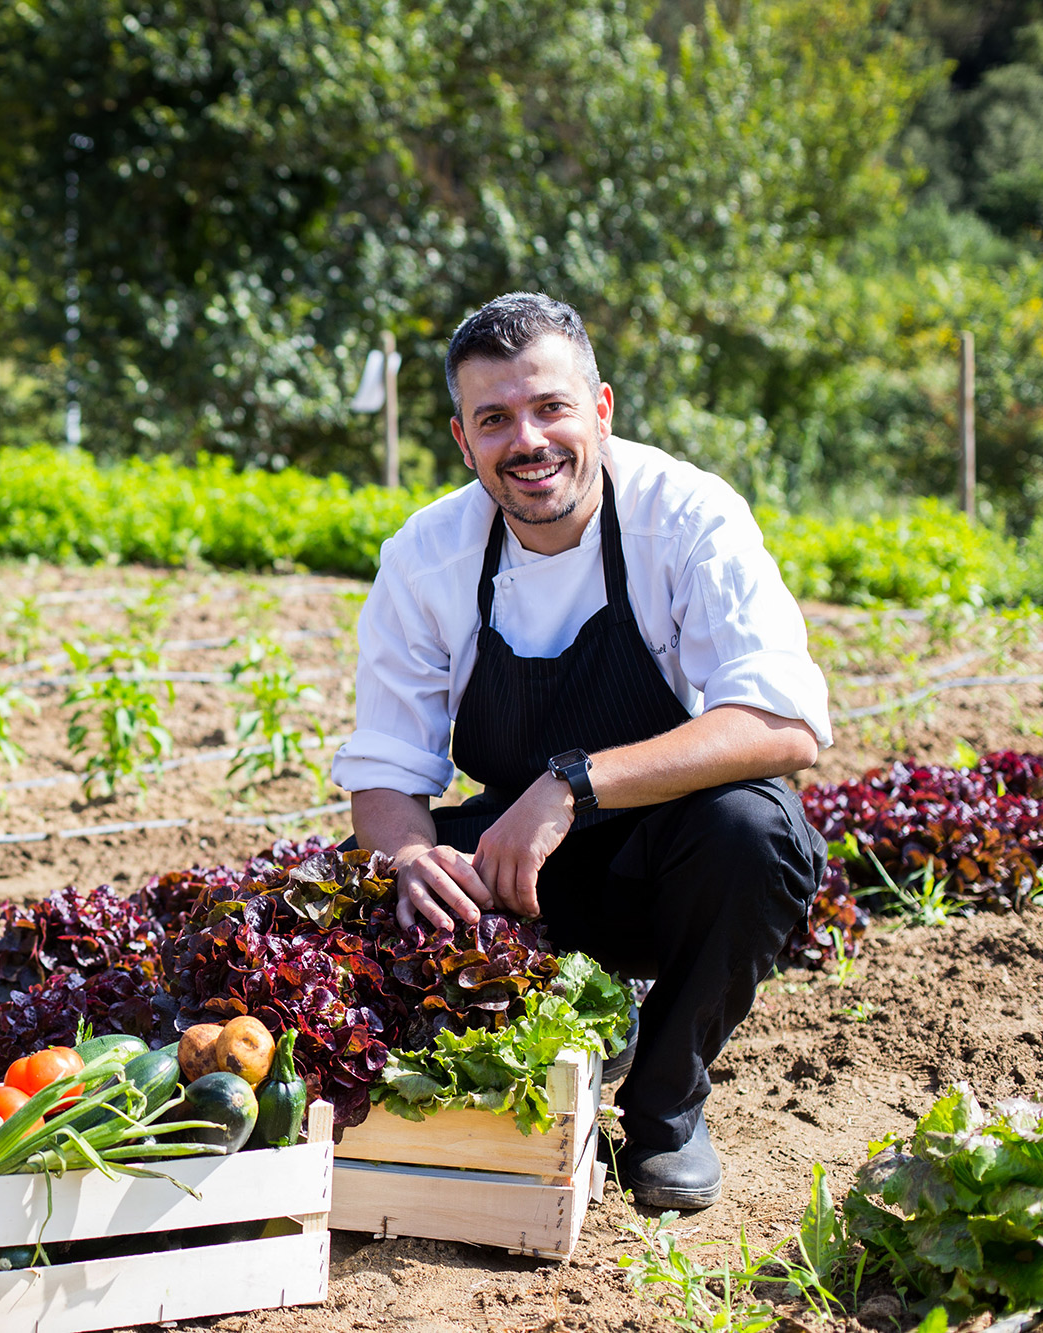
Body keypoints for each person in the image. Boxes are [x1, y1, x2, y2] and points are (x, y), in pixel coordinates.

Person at [333, 292, 829, 1209]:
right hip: (520, 875)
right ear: (462, 438)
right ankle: (535, 1063)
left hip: (664, 856)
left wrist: (574, 786)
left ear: (599, 409)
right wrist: (409, 857)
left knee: (756, 830)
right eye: (496, 419)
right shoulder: (427, 557)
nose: (528, 440)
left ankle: (665, 1103)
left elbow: (782, 723)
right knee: (372, 891)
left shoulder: (684, 517)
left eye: (550, 407)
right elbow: (387, 770)